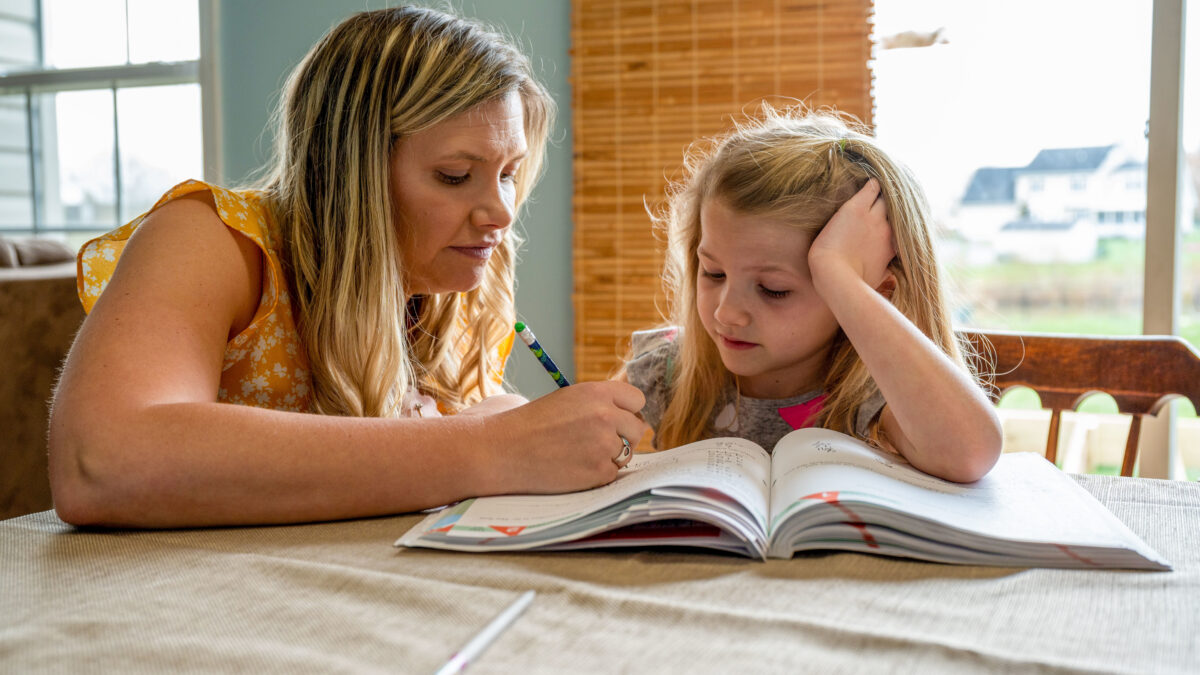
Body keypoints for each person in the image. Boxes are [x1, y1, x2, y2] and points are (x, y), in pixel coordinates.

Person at [48, 6, 647, 528]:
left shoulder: (453, 288)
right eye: (455, 176)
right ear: (350, 171)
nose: (499, 212)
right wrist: (486, 445)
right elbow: (101, 461)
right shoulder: (213, 241)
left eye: (509, 173)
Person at [623, 105, 1001, 483]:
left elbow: (970, 455)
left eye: (774, 290)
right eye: (714, 272)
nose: (727, 313)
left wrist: (839, 275)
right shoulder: (667, 370)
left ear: (876, 293)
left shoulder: (879, 391)